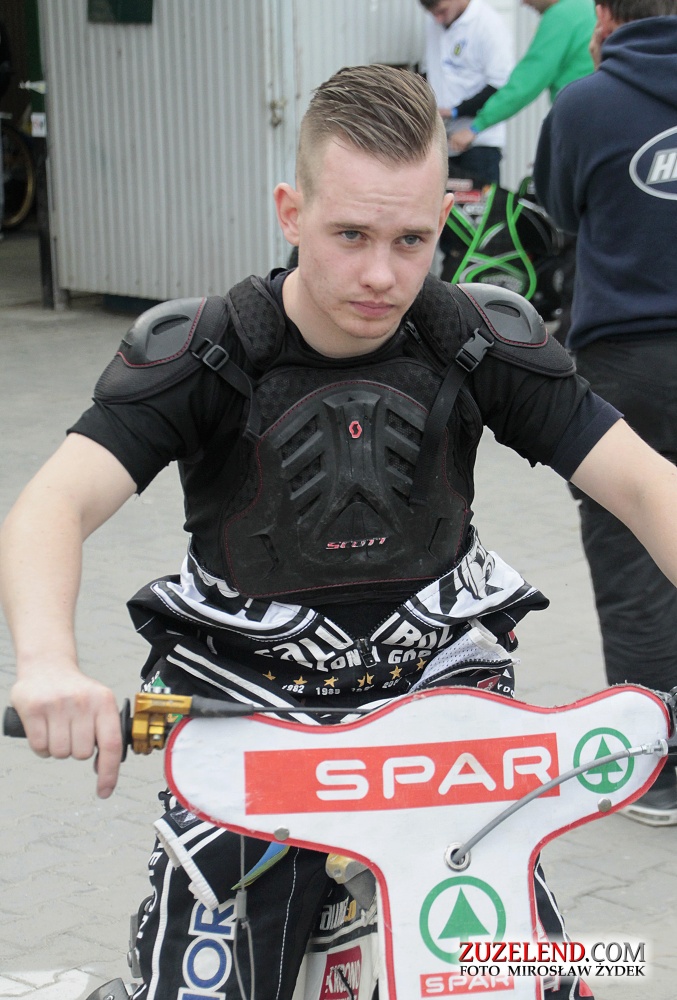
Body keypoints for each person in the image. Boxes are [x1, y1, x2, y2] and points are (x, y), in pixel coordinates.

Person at [4, 63, 677, 999]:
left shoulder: (476, 337)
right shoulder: (205, 349)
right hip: (249, 719)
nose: (380, 275)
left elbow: (645, 484)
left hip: (441, 722)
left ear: (443, 218)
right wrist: (47, 663)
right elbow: (51, 506)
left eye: (411, 240)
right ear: (291, 211)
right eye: (350, 234)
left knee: (530, 978)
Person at [533, 0, 677, 825]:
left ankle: (654, 771)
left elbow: (558, 210)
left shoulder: (584, 103)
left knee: (630, 552)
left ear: (601, 14)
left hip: (625, 361)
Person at [419, 0, 514, 186]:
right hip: (444, 142)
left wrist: (456, 111)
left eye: (442, 11)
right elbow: (429, 72)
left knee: (480, 202)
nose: (438, 19)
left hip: (479, 143)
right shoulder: (435, 24)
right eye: (432, 13)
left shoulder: (488, 24)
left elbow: (500, 86)